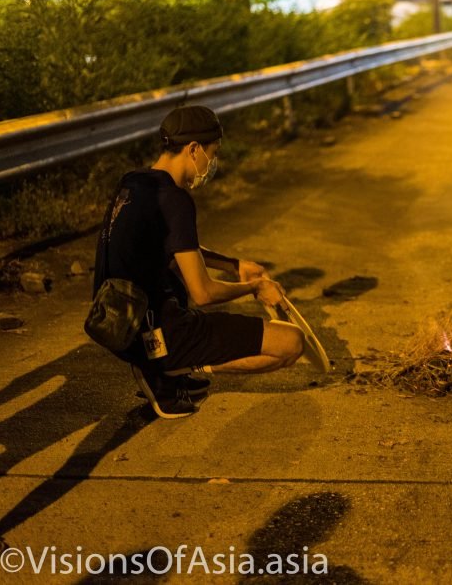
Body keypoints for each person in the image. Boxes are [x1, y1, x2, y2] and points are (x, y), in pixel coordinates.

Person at [91, 105, 304, 419]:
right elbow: (204, 294)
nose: (212, 163)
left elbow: (179, 245)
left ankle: (164, 366)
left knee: (173, 277)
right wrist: (254, 288)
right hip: (158, 337)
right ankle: (168, 370)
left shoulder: (133, 183)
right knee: (291, 343)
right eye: (212, 152)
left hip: (117, 326)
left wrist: (233, 265)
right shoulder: (176, 201)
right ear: (193, 149)